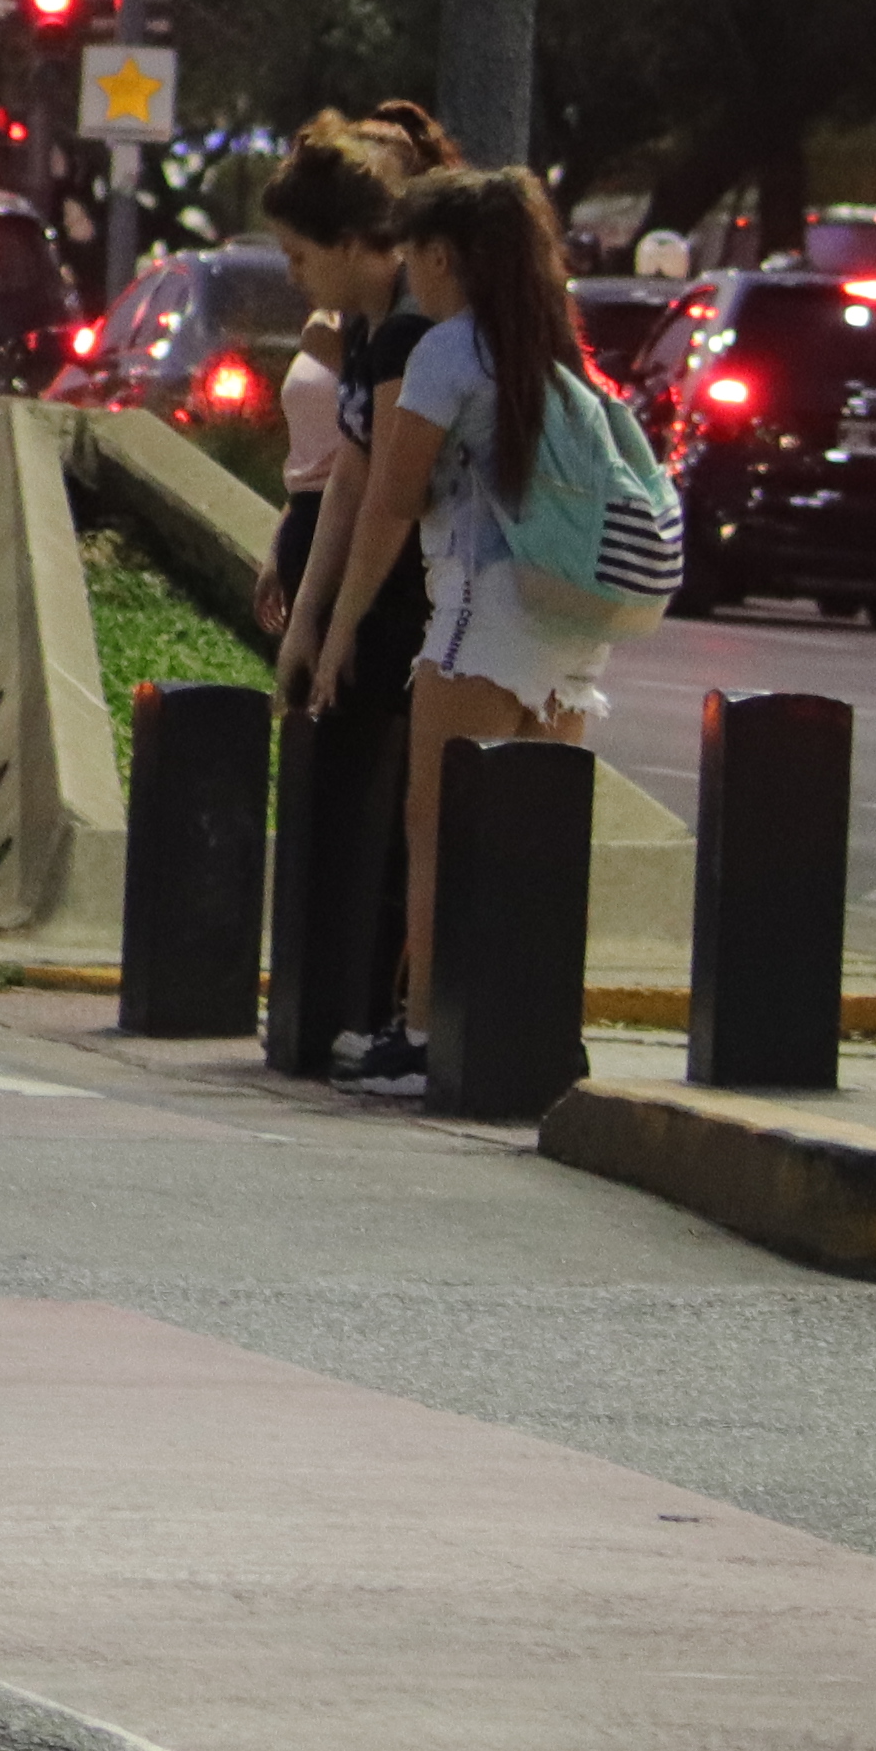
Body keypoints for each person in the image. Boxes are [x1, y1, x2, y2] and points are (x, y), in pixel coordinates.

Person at [313, 160, 617, 1085]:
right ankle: (534, 1026)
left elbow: (390, 505)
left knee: (438, 825)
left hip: (483, 614)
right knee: (534, 836)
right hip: (574, 623)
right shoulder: (556, 354)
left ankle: (421, 1030)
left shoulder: (448, 353)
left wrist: (337, 633)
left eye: (415, 256)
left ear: (443, 257)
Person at [258, 108, 447, 1083]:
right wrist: (309, 611)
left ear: (347, 243)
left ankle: (393, 1012)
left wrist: (341, 625)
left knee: (402, 804)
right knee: (363, 788)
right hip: (379, 598)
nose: (296, 278)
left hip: (425, 601)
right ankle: (353, 1006)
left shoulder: (413, 330)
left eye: (298, 257)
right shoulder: (374, 328)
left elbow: (390, 501)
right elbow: (344, 473)